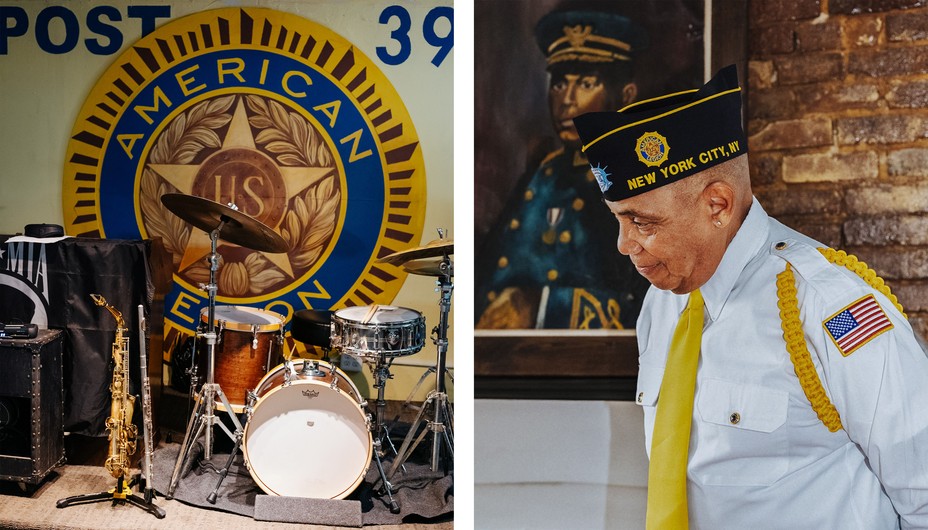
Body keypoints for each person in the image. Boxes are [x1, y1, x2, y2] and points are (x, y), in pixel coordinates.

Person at [573, 64, 928, 528]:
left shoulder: (828, 306)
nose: (623, 244)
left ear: (716, 205)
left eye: (642, 222)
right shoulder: (663, 304)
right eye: (617, 219)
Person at [476, 7, 650, 329]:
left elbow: (645, 304)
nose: (566, 100)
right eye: (558, 84)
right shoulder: (543, 171)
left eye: (585, 83)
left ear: (626, 96)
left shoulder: (640, 179)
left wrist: (539, 307)